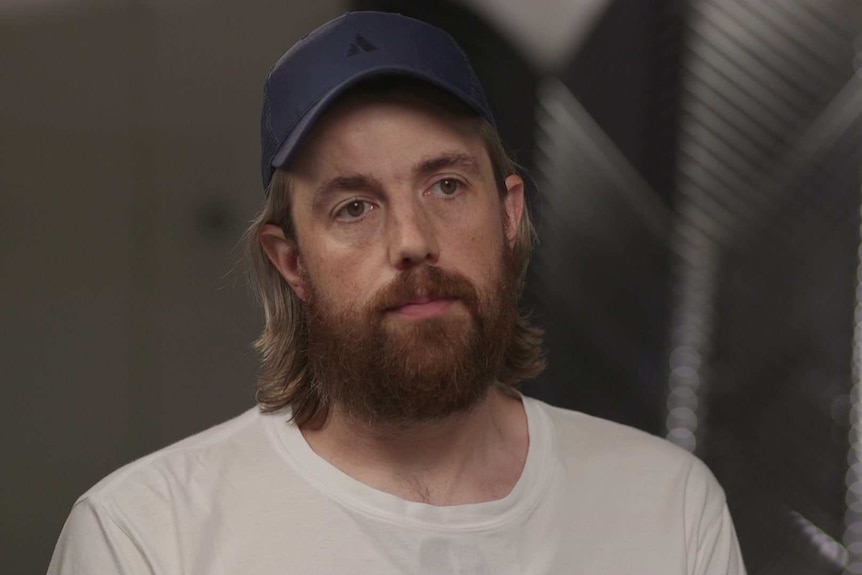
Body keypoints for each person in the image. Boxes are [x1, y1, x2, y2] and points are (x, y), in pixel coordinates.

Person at [48, 11, 746, 574]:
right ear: (291, 261)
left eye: (446, 185)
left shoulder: (667, 508)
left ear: (508, 216)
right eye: (354, 206)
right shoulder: (146, 537)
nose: (413, 239)